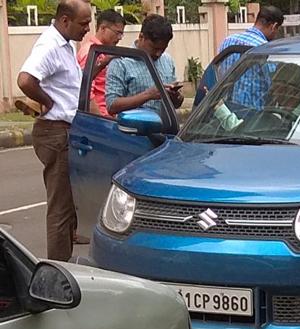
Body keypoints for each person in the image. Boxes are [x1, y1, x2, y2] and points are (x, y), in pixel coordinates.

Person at [16, 0, 92, 261]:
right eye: (83, 23)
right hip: (55, 133)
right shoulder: (49, 45)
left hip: (69, 130)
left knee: (70, 206)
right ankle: (57, 272)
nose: (87, 28)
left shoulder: (67, 45)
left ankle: (66, 265)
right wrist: (47, 102)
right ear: (65, 21)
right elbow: (25, 80)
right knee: (60, 208)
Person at [193, 6, 284, 107]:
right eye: (277, 30)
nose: (276, 34)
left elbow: (219, 73)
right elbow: (274, 87)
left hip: (227, 113)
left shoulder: (228, 41)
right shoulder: (266, 50)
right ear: (273, 26)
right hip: (254, 117)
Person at [105, 14, 183, 115]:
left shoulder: (167, 60)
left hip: (166, 128)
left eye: (163, 49)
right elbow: (111, 105)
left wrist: (176, 97)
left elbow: (176, 104)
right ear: (141, 37)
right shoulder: (121, 63)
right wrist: (147, 95)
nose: (158, 54)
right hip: (134, 129)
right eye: (154, 48)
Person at [77, 9, 126, 118]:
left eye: (121, 34)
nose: (119, 38)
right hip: (100, 120)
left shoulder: (105, 52)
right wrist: (101, 120)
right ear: (103, 28)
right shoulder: (90, 53)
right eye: (117, 33)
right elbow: (85, 91)